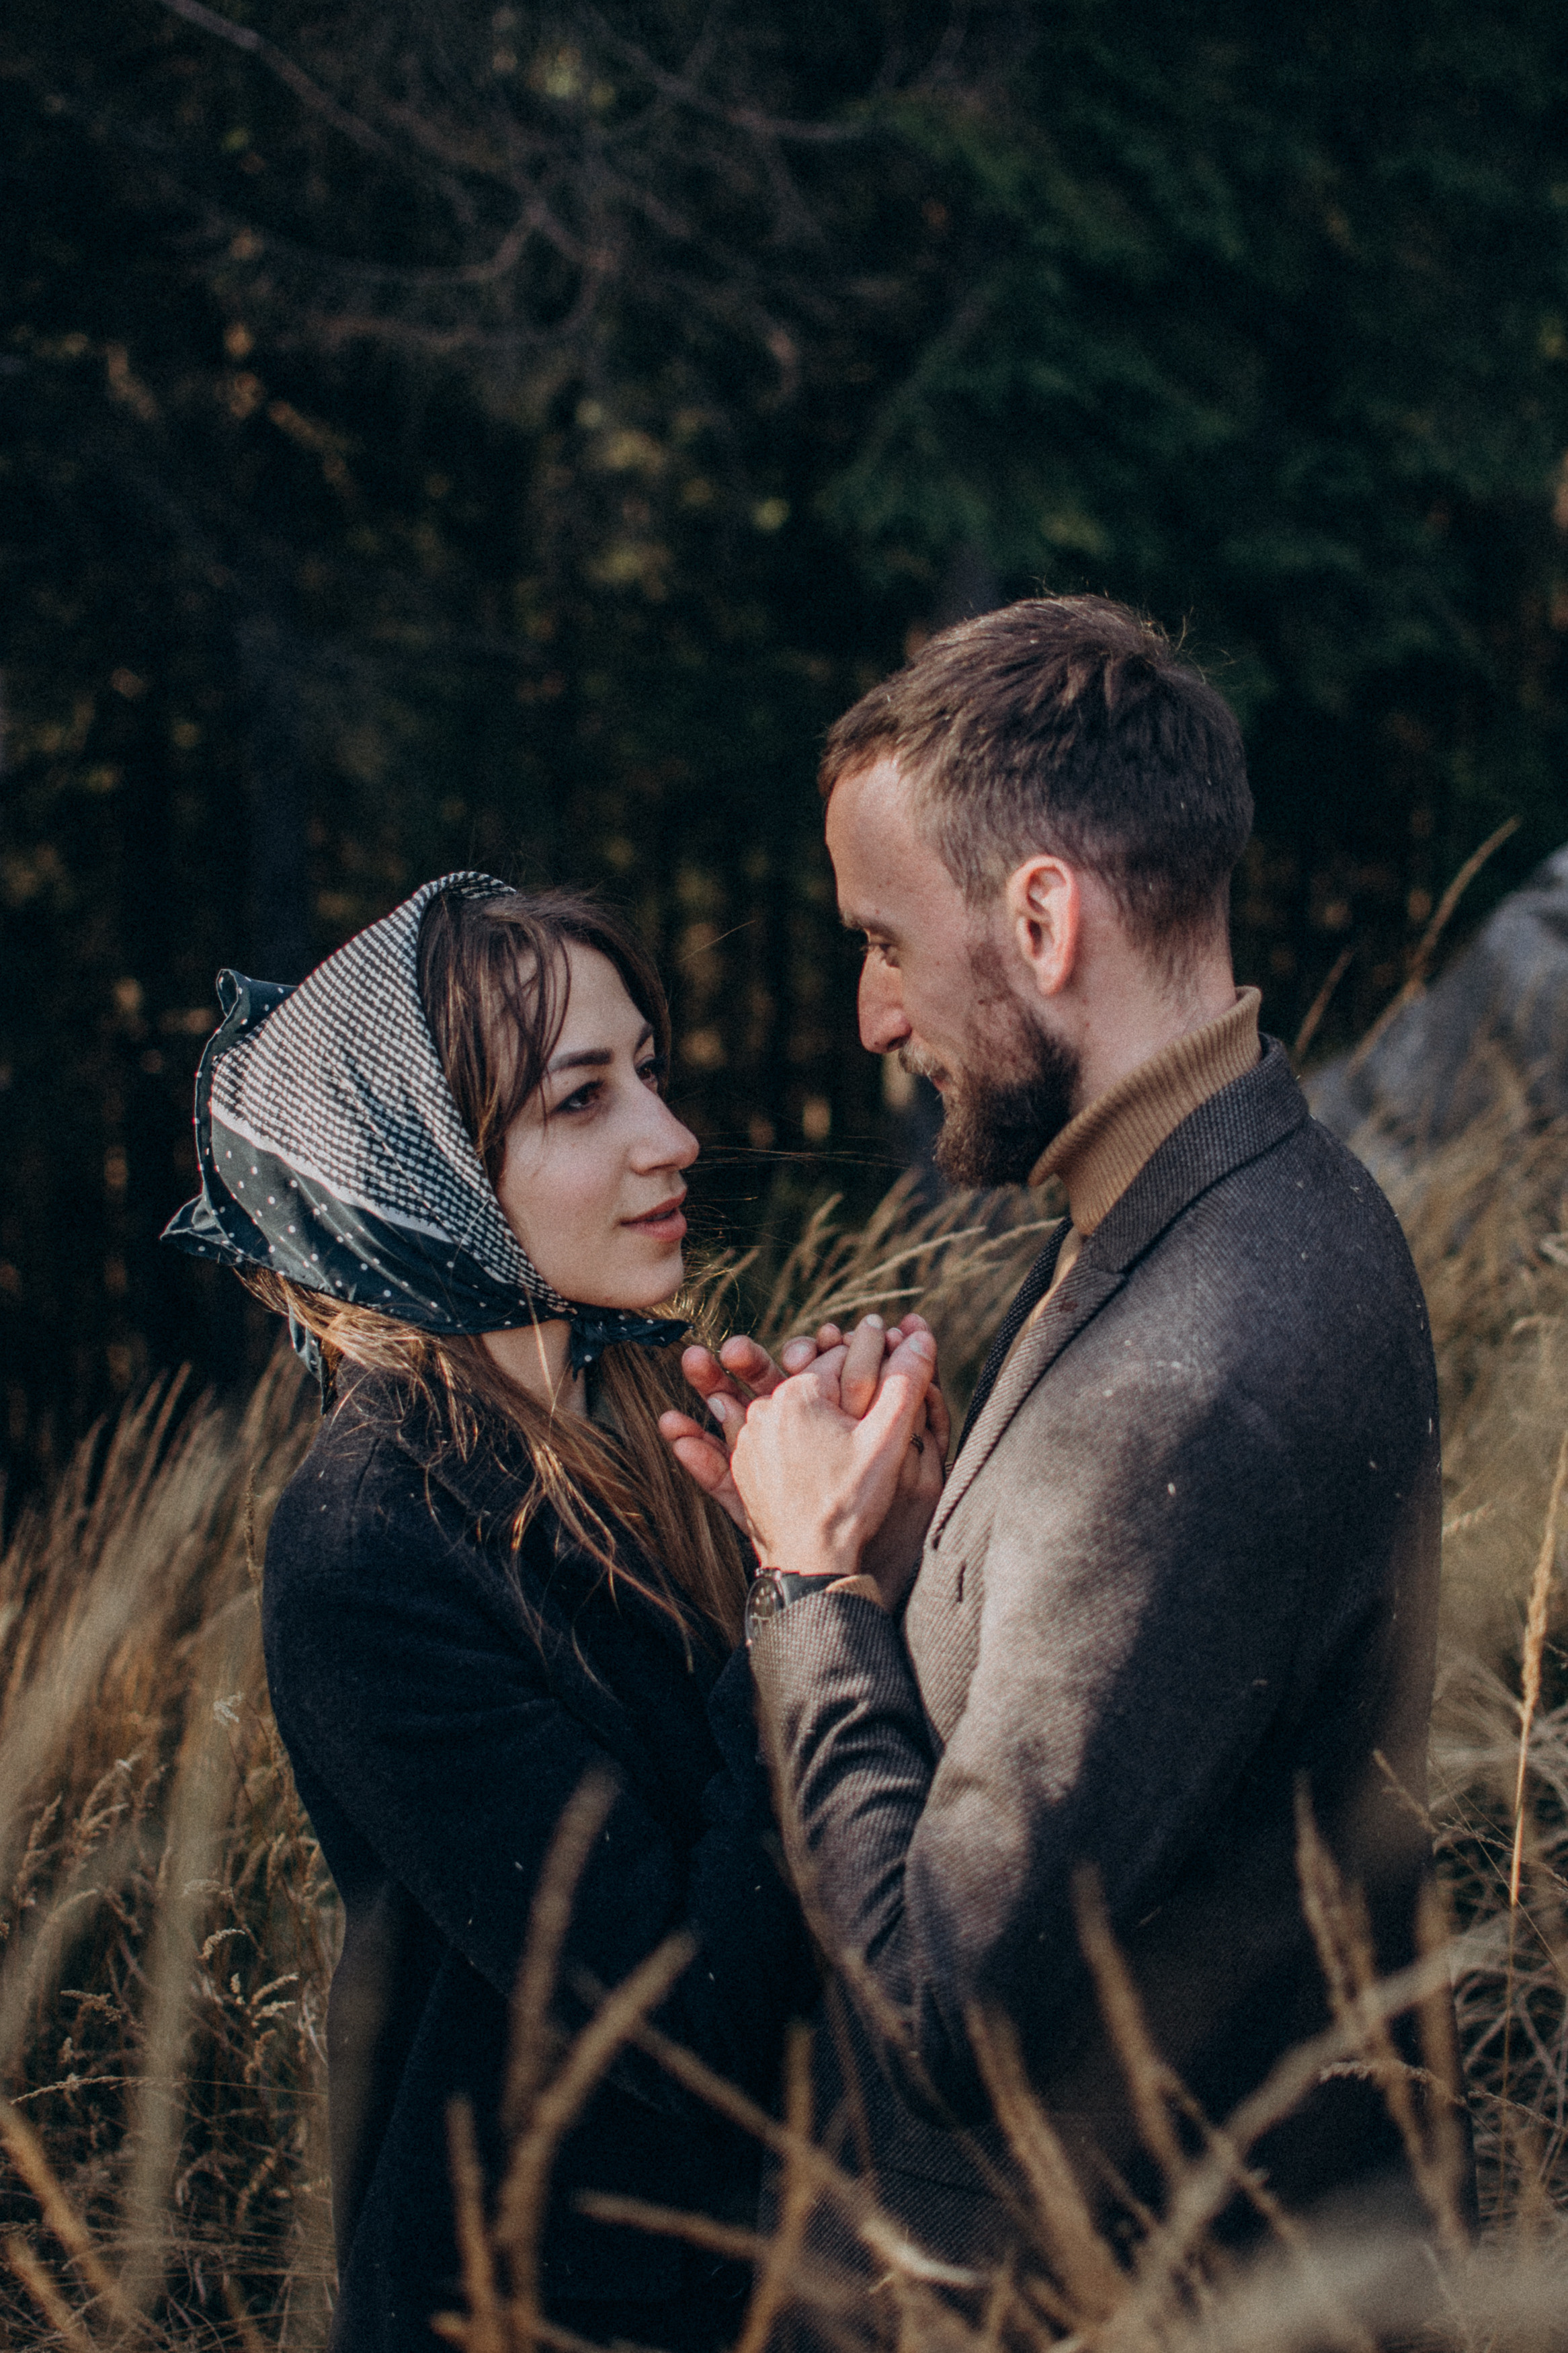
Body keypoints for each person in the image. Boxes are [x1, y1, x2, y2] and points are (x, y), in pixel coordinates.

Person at [662, 596, 1469, 2274]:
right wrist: (922, 1541)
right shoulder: (1235, 1197)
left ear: (1042, 917)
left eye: (883, 941)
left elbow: (954, 2011)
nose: (874, 1015)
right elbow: (1154, 1721)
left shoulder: (1201, 1350)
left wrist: (810, 1588)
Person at [161, 874, 836, 2353]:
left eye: (650, 1073)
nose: (673, 1138)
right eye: (583, 1100)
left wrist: (878, 1531)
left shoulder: (649, 1421)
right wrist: (803, 1588)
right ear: (431, 1170)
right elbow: (691, 2019)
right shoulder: (369, 1551)